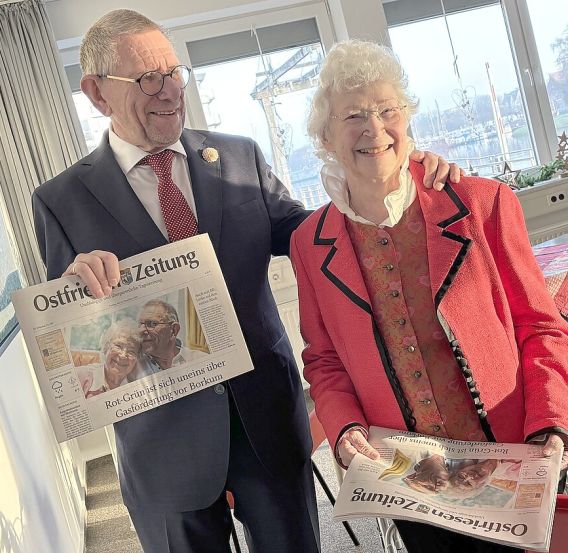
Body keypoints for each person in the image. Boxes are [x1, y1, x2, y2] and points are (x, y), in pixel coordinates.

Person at [31, 10, 461, 552]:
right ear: (96, 93)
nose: (169, 92)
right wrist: (75, 284)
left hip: (266, 417)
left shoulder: (236, 157)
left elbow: (312, 236)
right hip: (162, 443)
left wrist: (394, 176)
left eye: (173, 73)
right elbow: (72, 338)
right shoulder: (62, 200)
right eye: (148, 80)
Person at [290, 39, 568, 552]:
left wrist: (553, 423)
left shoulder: (481, 203)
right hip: (411, 478)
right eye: (353, 115)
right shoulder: (309, 243)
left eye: (388, 111)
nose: (374, 128)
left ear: (408, 119)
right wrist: (343, 427)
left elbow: (542, 326)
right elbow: (324, 360)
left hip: (514, 448)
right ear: (325, 135)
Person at [77, 319, 145, 398]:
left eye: (131, 352)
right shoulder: (81, 375)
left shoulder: (136, 389)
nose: (123, 355)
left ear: (137, 359)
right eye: (118, 346)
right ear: (106, 347)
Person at [136, 299, 202, 372]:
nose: (141, 330)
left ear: (174, 330)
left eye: (152, 324)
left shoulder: (201, 360)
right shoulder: (132, 368)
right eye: (140, 324)